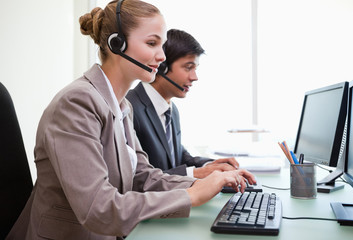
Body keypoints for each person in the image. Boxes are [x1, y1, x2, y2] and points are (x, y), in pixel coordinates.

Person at [6, 1, 255, 239]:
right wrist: (192, 196)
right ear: (117, 44)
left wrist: (205, 182)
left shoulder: (122, 106)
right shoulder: (76, 103)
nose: (161, 56)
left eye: (162, 45)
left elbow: (143, 178)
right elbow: (99, 208)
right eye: (152, 43)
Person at [126, 29, 238, 178]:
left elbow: (178, 156)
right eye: (188, 67)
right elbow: (137, 178)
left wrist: (210, 166)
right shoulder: (129, 108)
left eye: (195, 69)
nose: (194, 77)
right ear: (162, 66)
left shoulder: (170, 109)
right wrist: (196, 173)